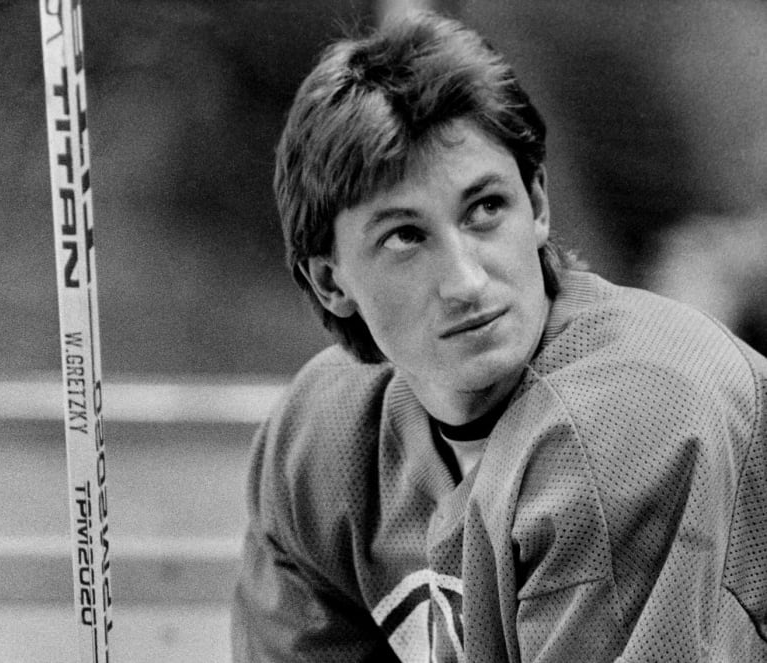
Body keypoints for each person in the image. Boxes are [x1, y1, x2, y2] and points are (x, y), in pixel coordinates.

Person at [231, 12, 767, 662]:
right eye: (406, 235)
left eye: (485, 208)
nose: (465, 280)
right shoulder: (322, 443)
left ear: (537, 205)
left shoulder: (630, 422)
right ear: (329, 280)